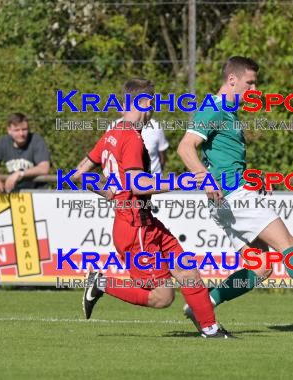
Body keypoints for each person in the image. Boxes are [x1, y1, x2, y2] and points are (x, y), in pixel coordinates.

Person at [177, 56, 293, 331]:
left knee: (260, 267)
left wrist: (252, 177)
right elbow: (185, 147)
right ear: (232, 80)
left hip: (227, 199)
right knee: (288, 243)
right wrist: (206, 180)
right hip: (233, 196)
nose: (253, 90)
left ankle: (202, 305)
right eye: (249, 83)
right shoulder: (213, 109)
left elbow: (224, 159)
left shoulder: (228, 111)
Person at [73, 78, 233, 338]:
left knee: (187, 269)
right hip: (135, 231)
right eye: (153, 102)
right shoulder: (132, 139)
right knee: (162, 297)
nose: (155, 107)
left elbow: (78, 175)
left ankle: (210, 329)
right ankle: (101, 283)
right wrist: (183, 181)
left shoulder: (111, 134)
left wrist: (114, 195)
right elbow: (138, 184)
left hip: (145, 223)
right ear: (145, 103)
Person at [0, 113, 51, 193]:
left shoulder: (36, 140)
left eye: (24, 129)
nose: (21, 134)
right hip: (14, 193)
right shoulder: (3, 142)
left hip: (36, 193)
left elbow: (44, 168)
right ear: (9, 130)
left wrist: (20, 173)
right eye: (17, 130)